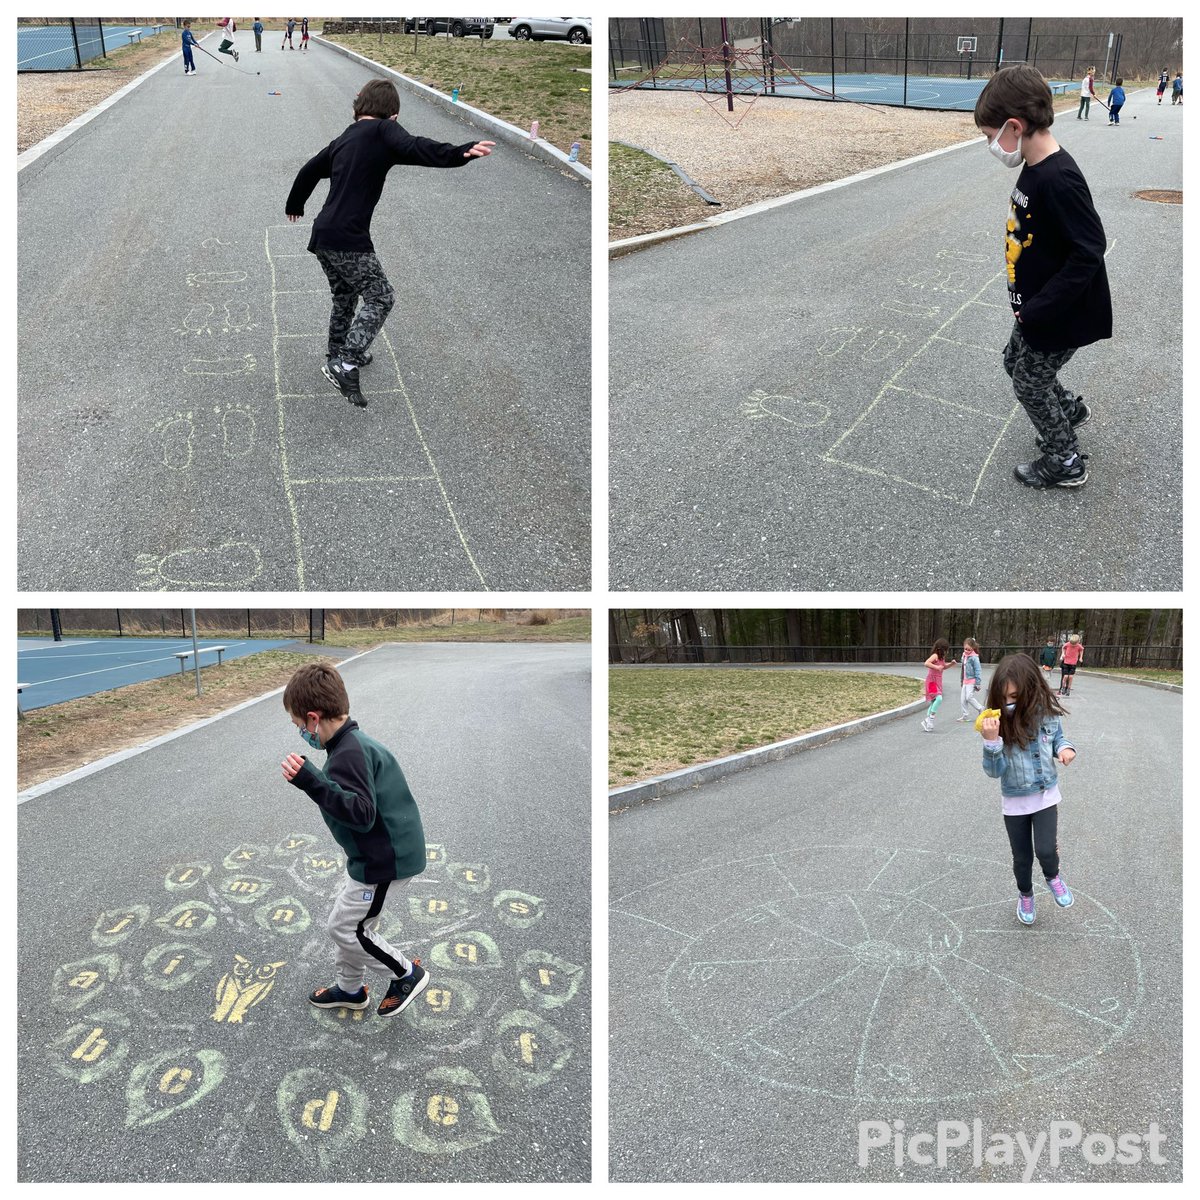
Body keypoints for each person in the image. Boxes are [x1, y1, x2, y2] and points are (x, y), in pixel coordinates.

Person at [285, 78, 495, 406]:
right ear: (392, 116)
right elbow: (416, 147)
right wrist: (459, 153)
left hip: (323, 235)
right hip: (348, 238)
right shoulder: (385, 130)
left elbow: (309, 170)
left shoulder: (342, 139)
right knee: (381, 297)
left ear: (359, 108)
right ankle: (345, 361)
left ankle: (336, 354)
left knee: (344, 296)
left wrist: (295, 204)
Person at [974, 65, 1112, 488]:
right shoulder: (1035, 167)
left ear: (1015, 126)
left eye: (990, 135)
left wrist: (1041, 307)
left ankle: (1065, 459)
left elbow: (1090, 249)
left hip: (1058, 314)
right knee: (1013, 362)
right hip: (1034, 309)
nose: (991, 145)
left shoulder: (1059, 178)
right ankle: (1068, 410)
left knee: (1029, 385)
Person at [280, 662, 431, 1018]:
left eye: (299, 725)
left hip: (382, 862)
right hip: (374, 856)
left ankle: (406, 974)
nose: (301, 732)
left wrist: (311, 781)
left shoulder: (348, 754)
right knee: (356, 924)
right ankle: (350, 989)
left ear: (314, 718)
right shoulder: (353, 745)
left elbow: (361, 815)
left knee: (344, 927)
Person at [978, 654, 1076, 925]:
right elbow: (993, 771)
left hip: (1045, 795)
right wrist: (991, 742)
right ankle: (1025, 894)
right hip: (1015, 802)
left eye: (1014, 697)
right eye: (1004, 698)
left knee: (1045, 850)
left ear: (1032, 691)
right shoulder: (998, 726)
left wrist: (1064, 748)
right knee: (1022, 858)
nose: (1009, 704)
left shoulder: (1047, 714)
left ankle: (1053, 877)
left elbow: (1057, 737)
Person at [920, 638, 957, 732]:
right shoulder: (935, 656)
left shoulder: (942, 658)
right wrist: (936, 667)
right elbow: (926, 663)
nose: (947, 652)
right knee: (939, 698)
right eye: (946, 650)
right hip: (932, 681)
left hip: (938, 681)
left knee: (933, 702)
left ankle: (927, 721)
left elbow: (943, 667)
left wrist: (951, 664)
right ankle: (930, 719)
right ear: (941, 649)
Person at [957, 637, 985, 722]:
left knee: (969, 697)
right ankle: (965, 715)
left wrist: (978, 683)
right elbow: (963, 669)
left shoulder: (974, 657)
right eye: (965, 649)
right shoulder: (964, 655)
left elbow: (978, 670)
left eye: (969, 650)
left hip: (972, 680)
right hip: (965, 680)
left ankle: (980, 708)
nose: (967, 651)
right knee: (963, 699)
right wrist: (962, 681)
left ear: (973, 648)